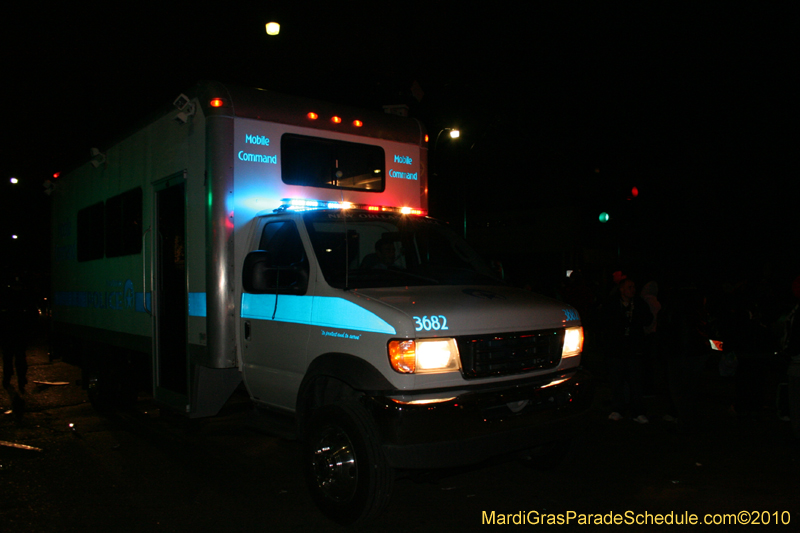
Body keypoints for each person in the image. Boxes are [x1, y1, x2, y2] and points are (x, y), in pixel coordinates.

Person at [599, 277, 653, 423]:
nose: (633, 290)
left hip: (634, 349)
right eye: (629, 287)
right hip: (616, 349)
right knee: (617, 380)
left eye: (634, 287)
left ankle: (638, 411)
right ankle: (618, 409)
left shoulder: (639, 303)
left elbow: (648, 319)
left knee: (635, 381)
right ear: (621, 289)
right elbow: (603, 322)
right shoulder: (611, 304)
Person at [1, 279, 33, 395]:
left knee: (9, 357)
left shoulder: (6, 296)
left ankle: (9, 378)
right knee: (18, 357)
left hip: (10, 332)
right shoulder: (24, 297)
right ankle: (19, 379)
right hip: (17, 332)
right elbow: (31, 315)